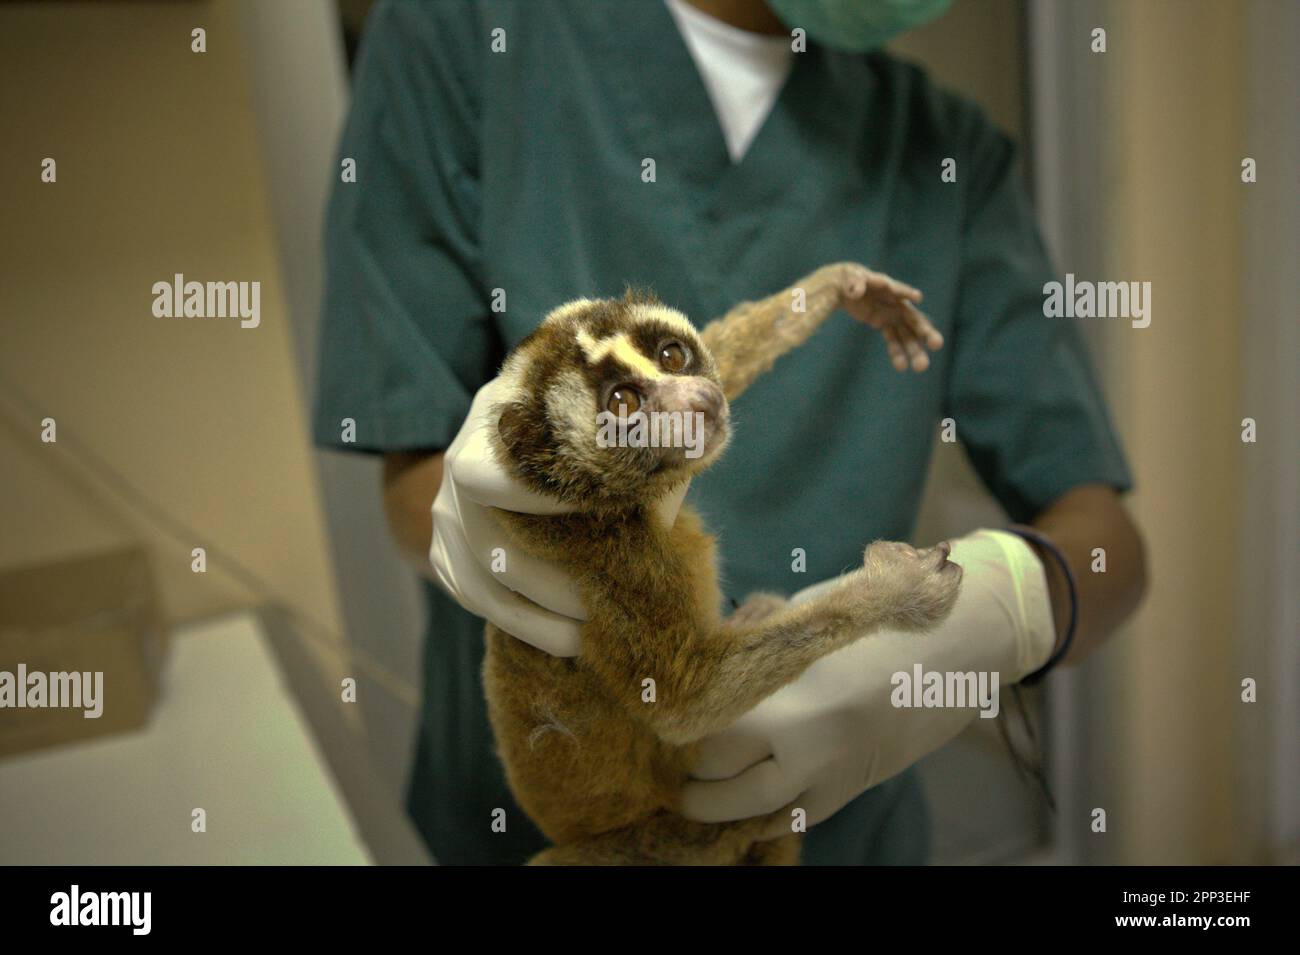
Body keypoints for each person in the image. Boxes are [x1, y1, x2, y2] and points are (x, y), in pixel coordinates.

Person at [314, 0, 1147, 865]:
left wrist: (1010, 607)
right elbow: (417, 478)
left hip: (842, 831)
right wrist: (489, 529)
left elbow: (1110, 544)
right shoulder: (466, 36)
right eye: (632, 405)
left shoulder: (944, 151)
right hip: (554, 814)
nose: (693, 404)